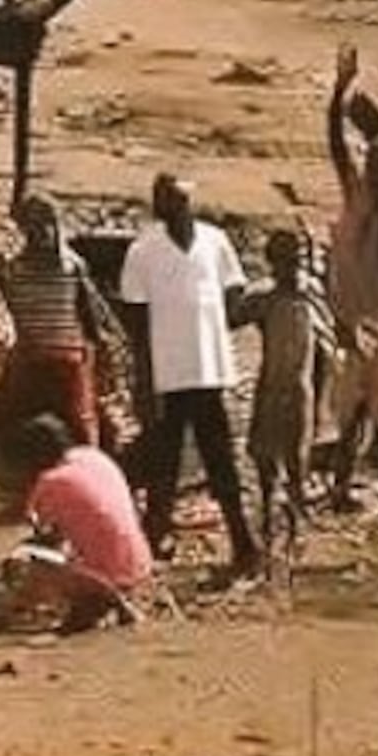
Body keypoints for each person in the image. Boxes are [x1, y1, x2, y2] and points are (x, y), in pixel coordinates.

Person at [117, 174, 262, 581]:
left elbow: (234, 298)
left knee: (221, 461)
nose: (173, 209)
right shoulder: (143, 251)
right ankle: (149, 546)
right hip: (167, 376)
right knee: (164, 465)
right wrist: (144, 384)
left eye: (179, 202)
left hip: (209, 370)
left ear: (189, 204)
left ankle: (244, 543)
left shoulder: (215, 243)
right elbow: (136, 323)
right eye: (166, 202)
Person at [324, 49, 378, 542]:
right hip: (351, 324)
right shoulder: (358, 193)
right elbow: (337, 144)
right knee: (351, 418)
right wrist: (339, 93)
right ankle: (341, 489)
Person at [0, 192, 115, 453]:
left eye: (45, 223)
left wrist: (100, 349)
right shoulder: (14, 269)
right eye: (33, 225)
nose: (41, 231)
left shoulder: (70, 266)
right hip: (32, 359)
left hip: (65, 360)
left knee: (83, 428)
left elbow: (88, 316)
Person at [0, 412, 152, 634]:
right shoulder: (94, 457)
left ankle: (104, 600)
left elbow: (46, 540)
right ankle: (111, 602)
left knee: (22, 561)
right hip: (141, 564)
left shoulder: (50, 482)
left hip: (106, 576)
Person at [250, 227, 330, 554]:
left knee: (297, 462)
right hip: (272, 387)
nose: (293, 269)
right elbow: (231, 316)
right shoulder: (265, 298)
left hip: (300, 389)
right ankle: (269, 525)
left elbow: (330, 341)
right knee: (266, 462)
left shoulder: (311, 293)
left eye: (299, 261)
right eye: (287, 262)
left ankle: (296, 529)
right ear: (273, 264)